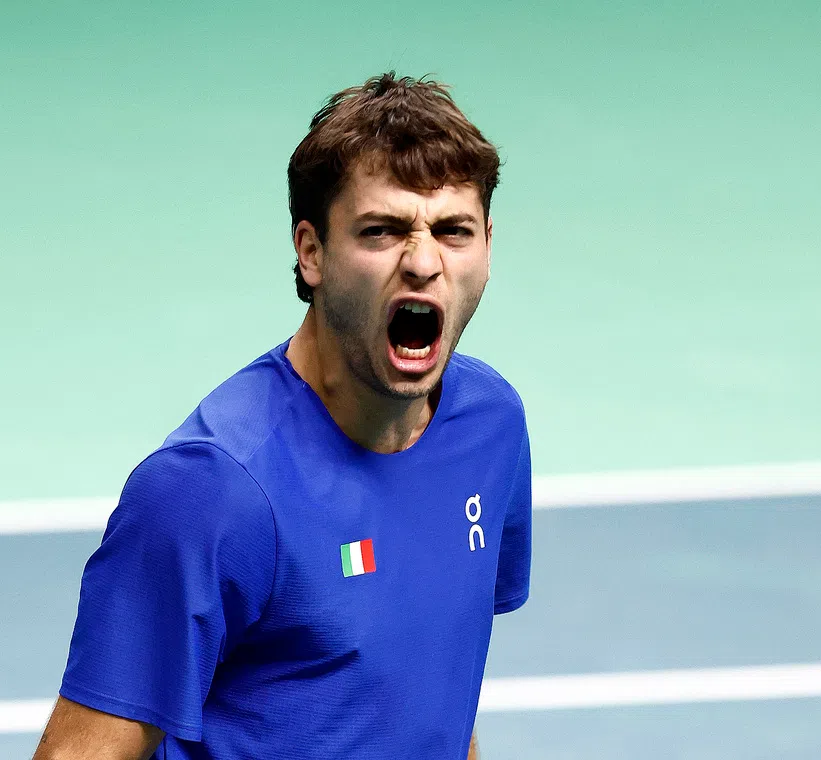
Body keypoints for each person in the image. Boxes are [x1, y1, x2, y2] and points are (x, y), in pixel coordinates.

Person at [32, 72, 531, 760]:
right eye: (382, 231)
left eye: (454, 230)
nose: (423, 262)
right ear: (311, 250)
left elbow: (432, 698)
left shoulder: (490, 428)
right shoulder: (209, 489)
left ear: (488, 244)